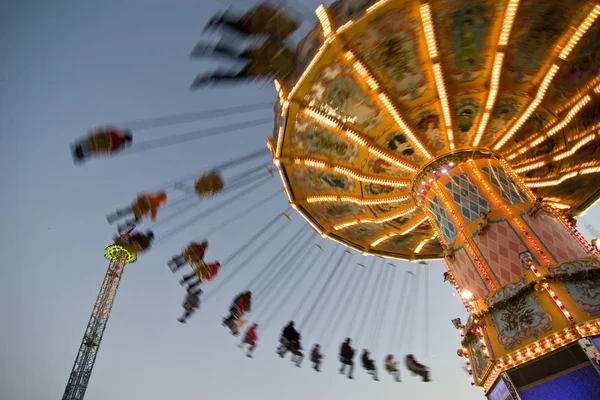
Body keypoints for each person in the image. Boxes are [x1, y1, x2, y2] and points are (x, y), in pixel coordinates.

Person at [190, 38, 297, 88]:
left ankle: (215, 53)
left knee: (237, 61)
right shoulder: (286, 61)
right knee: (237, 64)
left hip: (261, 63)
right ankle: (216, 53)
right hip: (262, 62)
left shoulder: (286, 61)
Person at [204, 1, 300, 41]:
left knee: (240, 27)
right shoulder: (282, 23)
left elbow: (271, 33)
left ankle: (220, 21)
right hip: (253, 24)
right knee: (241, 28)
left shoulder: (282, 23)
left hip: (253, 24)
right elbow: (271, 30)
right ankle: (220, 21)